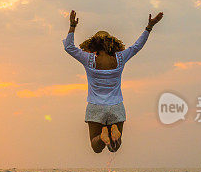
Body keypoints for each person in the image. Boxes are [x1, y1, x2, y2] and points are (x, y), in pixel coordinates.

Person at [63, 9, 163, 153]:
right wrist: (149, 27)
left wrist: (72, 26)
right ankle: (113, 130)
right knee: (115, 147)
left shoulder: (88, 59)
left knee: (96, 147)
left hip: (95, 106)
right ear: (112, 42)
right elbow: (137, 46)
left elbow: (69, 47)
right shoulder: (120, 58)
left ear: (93, 44)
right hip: (116, 106)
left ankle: (103, 134)